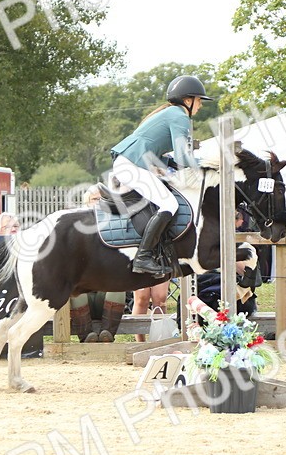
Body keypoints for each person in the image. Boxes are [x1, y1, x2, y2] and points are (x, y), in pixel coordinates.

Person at [109, 74, 211, 276]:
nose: (200, 106)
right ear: (188, 100)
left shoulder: (173, 113)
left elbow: (169, 157)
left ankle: (157, 252)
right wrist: (208, 164)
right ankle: (143, 257)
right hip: (131, 164)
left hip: (131, 163)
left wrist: (173, 162)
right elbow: (183, 156)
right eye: (199, 100)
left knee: (164, 201)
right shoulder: (179, 116)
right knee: (169, 204)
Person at [70, 188, 129, 342]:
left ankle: (107, 334)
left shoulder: (113, 228)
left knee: (119, 290)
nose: (97, 203)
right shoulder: (77, 228)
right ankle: (86, 336)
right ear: (86, 203)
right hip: (85, 291)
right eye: (94, 199)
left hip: (105, 290)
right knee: (76, 293)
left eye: (100, 200)